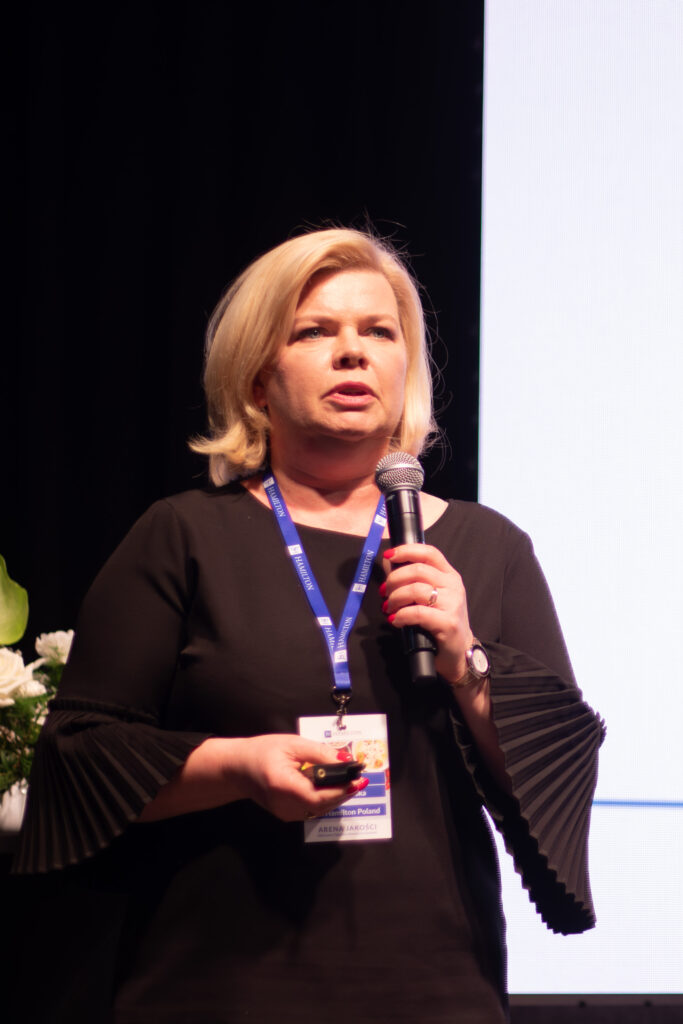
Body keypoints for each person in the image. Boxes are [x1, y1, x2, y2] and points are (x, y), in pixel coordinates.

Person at [13, 228, 604, 1023]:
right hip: (214, 990)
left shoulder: (487, 549)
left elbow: (551, 781)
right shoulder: (182, 537)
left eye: (378, 332)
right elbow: (78, 759)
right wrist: (238, 766)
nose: (352, 352)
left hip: (435, 993)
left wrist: (465, 662)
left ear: (404, 369)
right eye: (314, 331)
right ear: (258, 378)